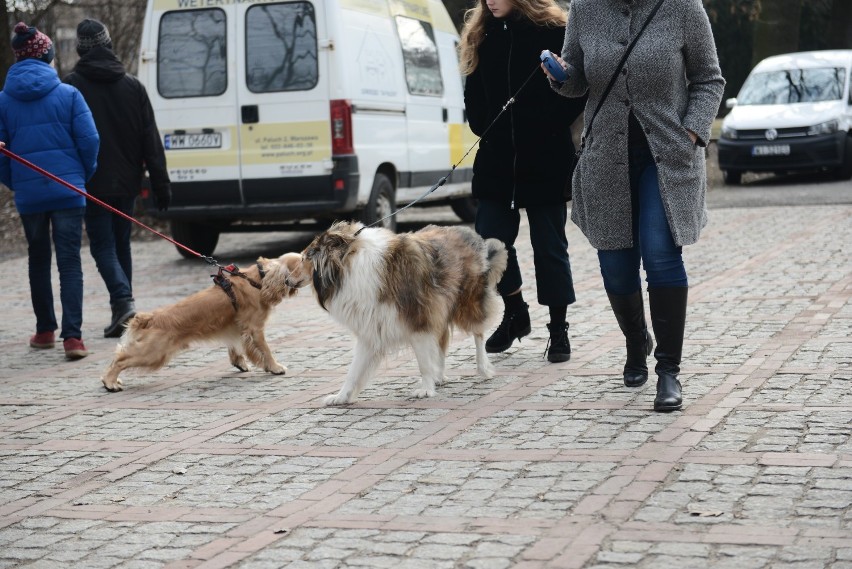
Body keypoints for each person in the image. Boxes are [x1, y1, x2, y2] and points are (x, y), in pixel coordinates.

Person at [546, 0, 725, 411]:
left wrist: (694, 133)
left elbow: (709, 79)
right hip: (607, 158)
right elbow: (577, 81)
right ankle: (635, 339)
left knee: (661, 254)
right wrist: (559, 74)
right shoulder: (585, 9)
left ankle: (668, 372)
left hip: (666, 154)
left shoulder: (681, 7)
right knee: (616, 268)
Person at [459, 0, 586, 363]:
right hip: (497, 162)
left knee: (550, 247)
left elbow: (576, 91)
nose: (490, 1)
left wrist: (546, 124)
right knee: (490, 243)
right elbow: (474, 98)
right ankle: (516, 312)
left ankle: (558, 328)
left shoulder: (556, 33)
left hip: (546, 158)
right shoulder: (480, 37)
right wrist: (486, 122)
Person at [64, 18, 172, 338]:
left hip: (91, 179)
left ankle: (123, 302)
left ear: (82, 50)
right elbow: (150, 139)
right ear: (108, 44)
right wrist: (161, 183)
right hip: (127, 180)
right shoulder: (133, 85)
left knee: (102, 245)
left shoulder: (71, 87)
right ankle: (122, 308)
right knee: (119, 241)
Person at [0, 22, 100, 360]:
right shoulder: (69, 94)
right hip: (68, 189)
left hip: (30, 195)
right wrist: (82, 176)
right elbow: (90, 140)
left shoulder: (3, 100)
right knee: (70, 262)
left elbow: (2, 152)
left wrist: (16, 181)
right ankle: (73, 338)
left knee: (38, 259)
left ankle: (45, 331)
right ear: (46, 54)